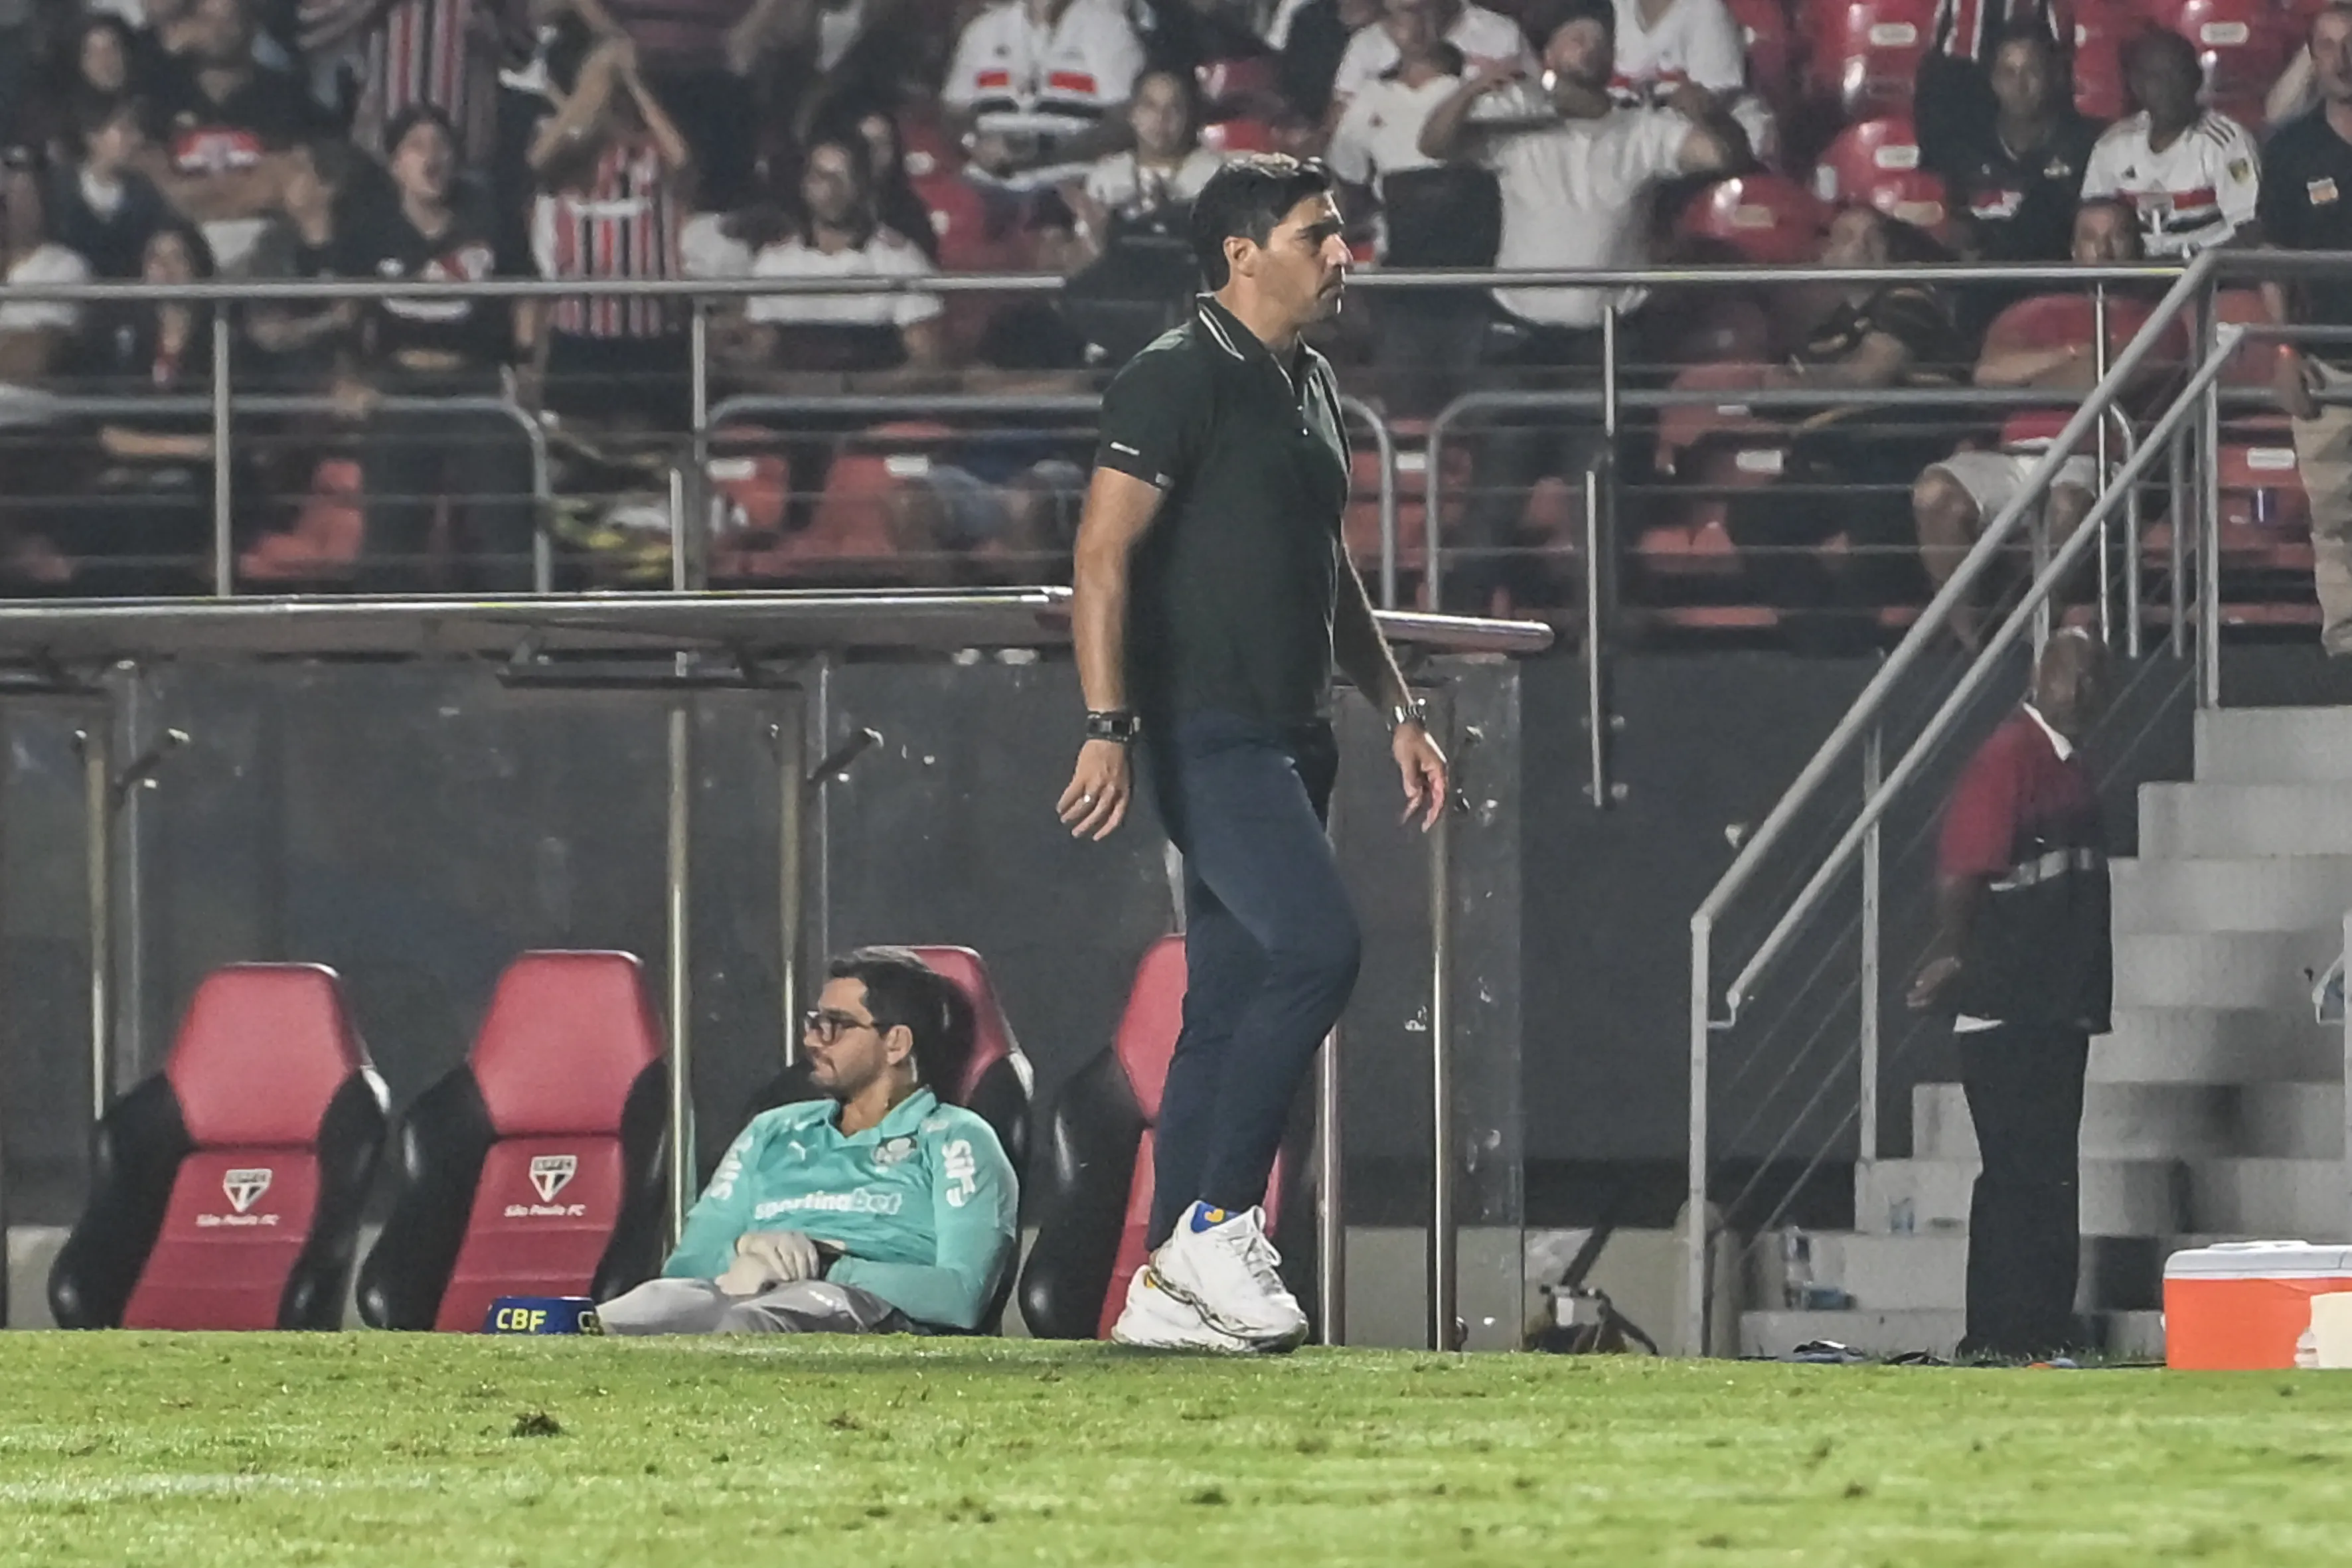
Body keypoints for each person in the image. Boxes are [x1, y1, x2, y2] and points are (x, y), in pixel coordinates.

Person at [1056, 154, 1449, 1352]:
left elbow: (1327, 568)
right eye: (1318, 233)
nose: (1342, 255)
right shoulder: (1172, 377)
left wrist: (1395, 704)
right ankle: (1215, 1226)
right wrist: (1108, 723)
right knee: (1319, 947)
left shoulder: (1312, 379)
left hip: (1296, 733)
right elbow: (1101, 556)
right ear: (1241, 253)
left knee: (1223, 1009)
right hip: (1201, 728)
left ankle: (1168, 1276)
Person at [1417, 0, 1745, 603]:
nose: (1585, 49)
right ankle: (1455, 633)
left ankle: (1603, 643)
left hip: (1608, 344)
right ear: (1546, 56)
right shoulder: (1516, 130)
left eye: (1597, 40)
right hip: (1519, 340)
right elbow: (1434, 143)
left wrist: (1711, 114)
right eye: (1572, 39)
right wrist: (1470, 92)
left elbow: (1719, 156)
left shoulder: (1638, 133)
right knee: (1496, 490)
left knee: (1600, 498)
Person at [599, 947, 1019, 1336]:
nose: (812, 1040)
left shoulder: (957, 1139)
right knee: (617, 1318)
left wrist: (823, 1266)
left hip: (863, 1305)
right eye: (813, 1022)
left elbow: (962, 1295)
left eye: (833, 1026)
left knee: (751, 1326)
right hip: (741, 1286)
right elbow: (685, 1269)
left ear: (896, 1043)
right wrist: (747, 1250)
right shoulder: (772, 1130)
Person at [1908, 628, 2112, 1362]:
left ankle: (2036, 1329)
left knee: (2043, 1174)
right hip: (2011, 1008)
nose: (2082, 691)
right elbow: (1964, 867)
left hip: (2050, 1006)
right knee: (2022, 1176)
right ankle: (2000, 1332)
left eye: (2093, 679)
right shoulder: (2013, 758)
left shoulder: (2060, 763)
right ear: (2039, 676)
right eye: (2072, 677)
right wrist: (1957, 953)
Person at [1912, 200, 2182, 651]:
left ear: (2137, 246)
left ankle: (2031, 636)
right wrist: (2071, 355)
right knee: (1933, 493)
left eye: (2116, 236)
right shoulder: (2033, 310)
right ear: (2074, 250)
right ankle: (1971, 646)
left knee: (2066, 504)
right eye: (2091, 238)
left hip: (2093, 456)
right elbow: (1987, 374)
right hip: (2014, 455)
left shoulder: (2161, 318)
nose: (2105, 249)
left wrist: (2039, 374)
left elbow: (2101, 379)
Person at [1719, 204, 1965, 651]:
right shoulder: (1825, 331)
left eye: (1874, 237)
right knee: (1754, 518)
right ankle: (1831, 651)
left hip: (1899, 454)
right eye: (1847, 235)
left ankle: (1846, 657)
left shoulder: (1908, 298)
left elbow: (1869, 373)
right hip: (1830, 459)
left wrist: (1798, 384)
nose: (1862, 246)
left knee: (1875, 528)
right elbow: (1793, 398)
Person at [335, 103, 538, 591]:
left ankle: (517, 642)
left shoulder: (488, 216)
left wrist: (531, 368)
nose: (431, 158)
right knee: (391, 532)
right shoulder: (369, 225)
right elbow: (348, 310)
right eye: (416, 146)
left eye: (440, 145)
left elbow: (527, 293)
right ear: (395, 164)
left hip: (477, 383)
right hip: (401, 386)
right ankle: (382, 652)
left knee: (505, 528)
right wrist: (349, 374)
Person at [1325, 0, 1497, 415]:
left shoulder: (1483, 91)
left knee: (1476, 413)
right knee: (1408, 412)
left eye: (1424, 13)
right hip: (1403, 279)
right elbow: (1347, 182)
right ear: (1387, 23)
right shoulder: (1370, 99)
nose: (1415, 26)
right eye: (1404, 14)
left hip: (1477, 279)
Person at [520, 36, 694, 426]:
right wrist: (589, 91)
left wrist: (631, 81)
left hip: (650, 333)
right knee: (578, 452)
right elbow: (536, 162)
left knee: (653, 448)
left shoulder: (651, 152)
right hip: (579, 334)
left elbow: (682, 159)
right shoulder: (569, 152)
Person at [2262, 2, 2352, 656]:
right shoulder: (2292, 149)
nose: (2343, 60)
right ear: (2313, 57)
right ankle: (2346, 645)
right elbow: (2273, 260)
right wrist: (2284, 349)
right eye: (2329, 46)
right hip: (2325, 362)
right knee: (2335, 519)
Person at [1919, 25, 2102, 271]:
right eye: (2009, 73)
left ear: (2055, 76)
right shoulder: (1963, 147)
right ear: (1993, 80)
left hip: (2056, 282)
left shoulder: (2087, 145)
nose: (2020, 85)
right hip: (1980, 284)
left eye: (2032, 71)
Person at [2078, 28, 2262, 260]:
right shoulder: (2113, 145)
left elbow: (2250, 233)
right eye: (2154, 77)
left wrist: (2191, 262)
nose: (2167, 87)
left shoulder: (2226, 142)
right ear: (2136, 85)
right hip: (2129, 281)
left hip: (2205, 281)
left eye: (2176, 73)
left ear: (2196, 79)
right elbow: (2090, 224)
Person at [941, 0, 1146, 191]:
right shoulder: (982, 30)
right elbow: (953, 114)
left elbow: (1125, 124)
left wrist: (1040, 149)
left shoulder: (1108, 28)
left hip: (1069, 186)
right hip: (985, 187)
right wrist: (972, 143)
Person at [44, 95, 171, 281]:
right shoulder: (57, 189)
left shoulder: (145, 194)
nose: (137, 139)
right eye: (125, 130)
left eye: (137, 130)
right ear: (93, 136)